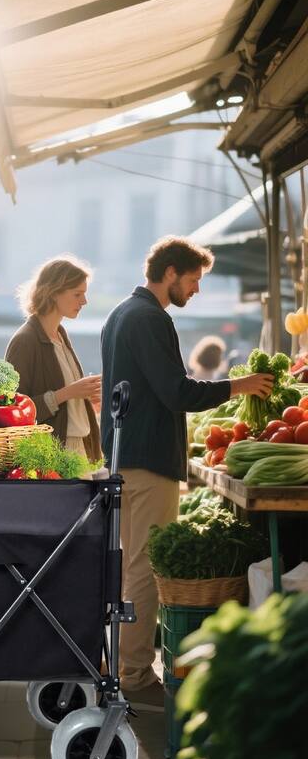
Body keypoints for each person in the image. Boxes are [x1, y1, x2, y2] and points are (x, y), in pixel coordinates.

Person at [100, 236, 273, 708]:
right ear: (171, 272)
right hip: (147, 460)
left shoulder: (121, 314)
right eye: (194, 279)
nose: (196, 289)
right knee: (144, 567)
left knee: (129, 566)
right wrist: (239, 385)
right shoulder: (149, 318)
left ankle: (119, 665)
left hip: (126, 457)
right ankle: (134, 675)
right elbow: (177, 392)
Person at [4, 256, 102, 462]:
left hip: (79, 448)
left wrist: (85, 398)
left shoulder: (60, 335)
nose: (84, 301)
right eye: (77, 294)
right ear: (54, 292)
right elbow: (13, 410)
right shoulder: (25, 341)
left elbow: (64, 398)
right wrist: (69, 393)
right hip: (53, 455)